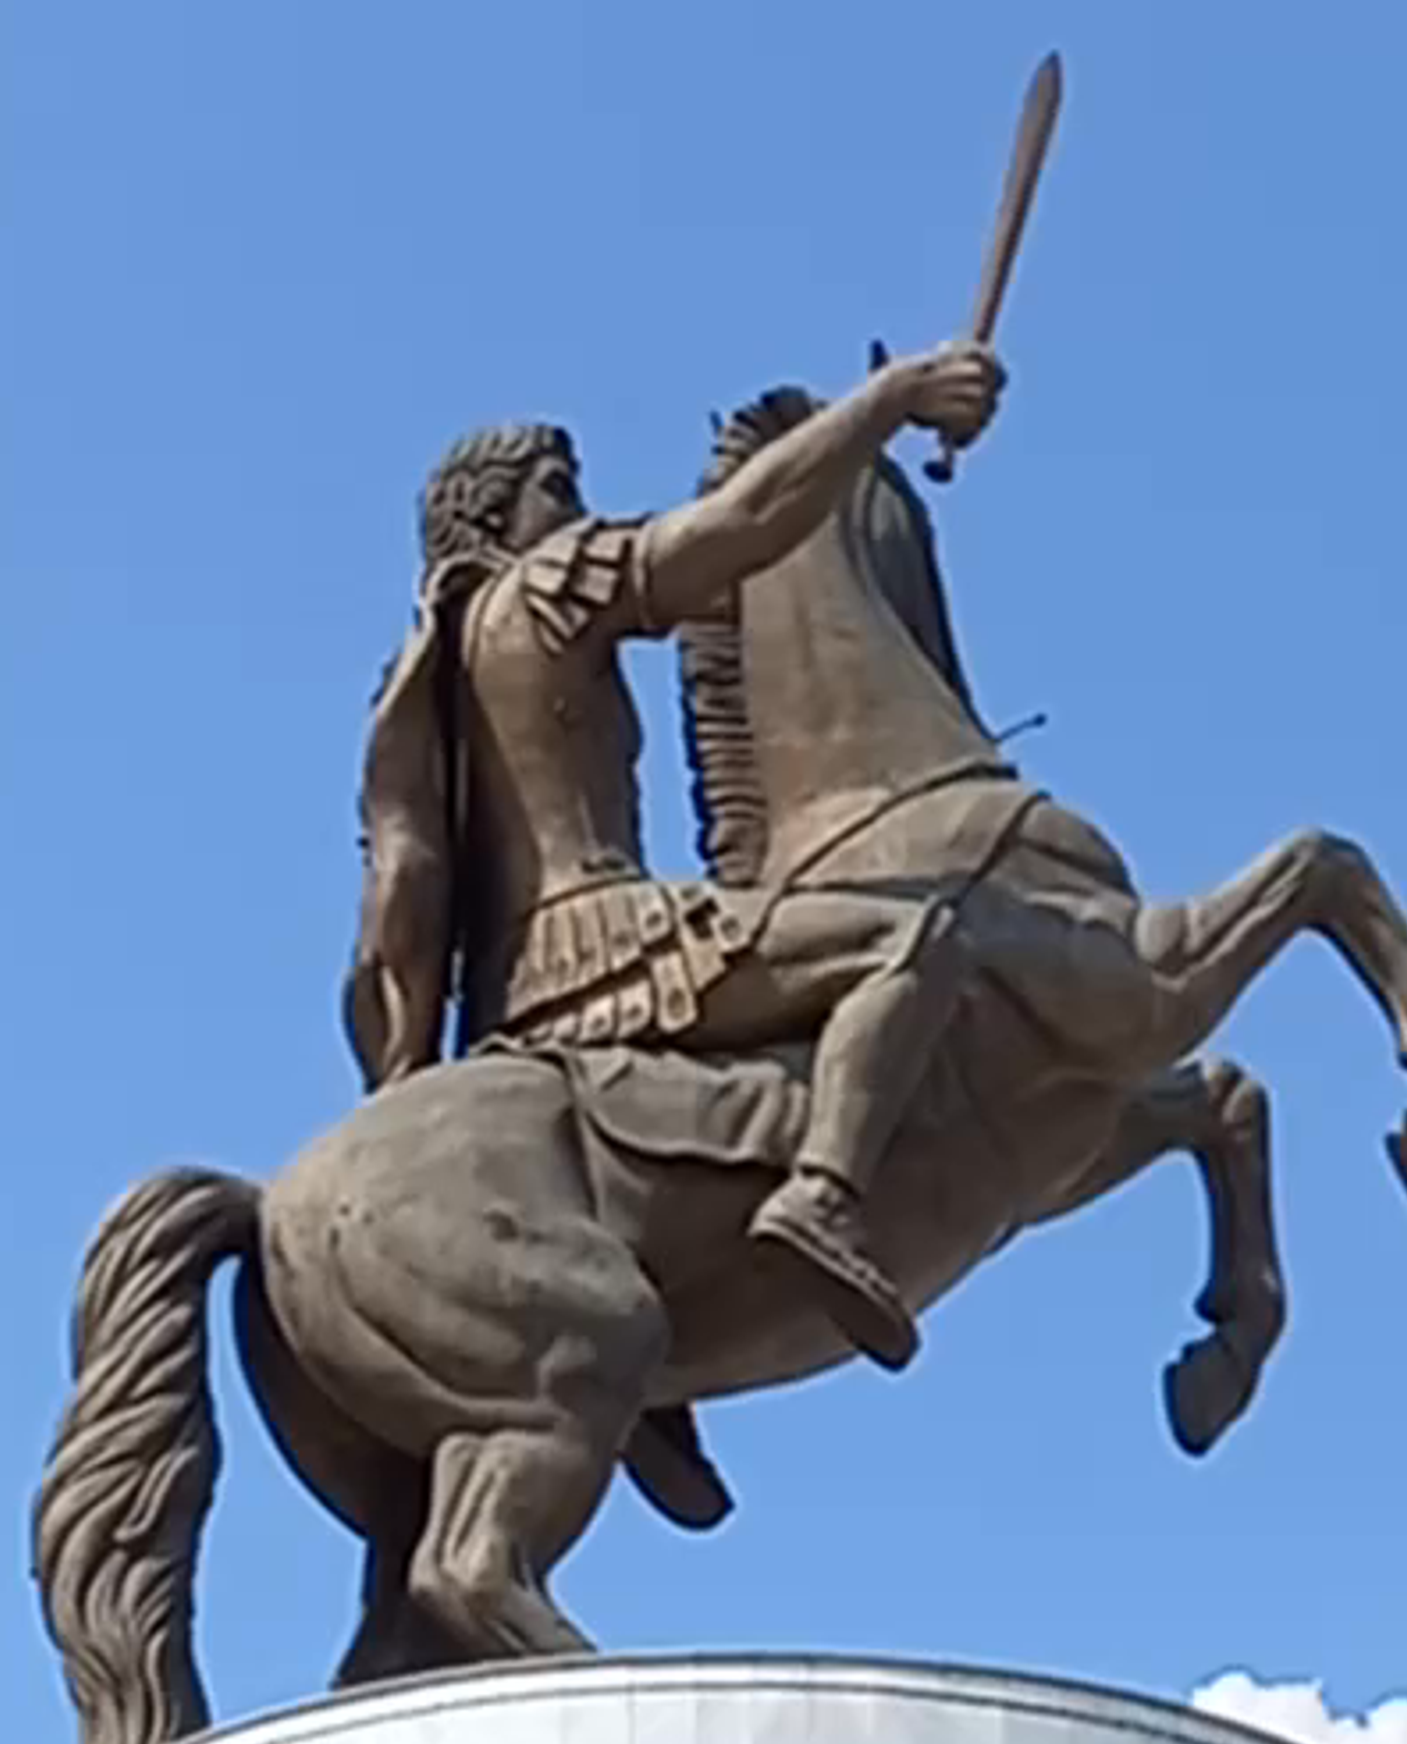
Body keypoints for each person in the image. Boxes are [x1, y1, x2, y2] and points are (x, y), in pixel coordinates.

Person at [345, 340, 1005, 1373]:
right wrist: (888, 401)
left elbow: (405, 886)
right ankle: (825, 1197)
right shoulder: (547, 585)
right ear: (493, 519)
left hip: (502, 1006)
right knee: (911, 940)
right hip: (610, 943)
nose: (573, 511)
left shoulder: (430, 665)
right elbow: (733, 531)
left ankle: (656, 1359)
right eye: (555, 490)